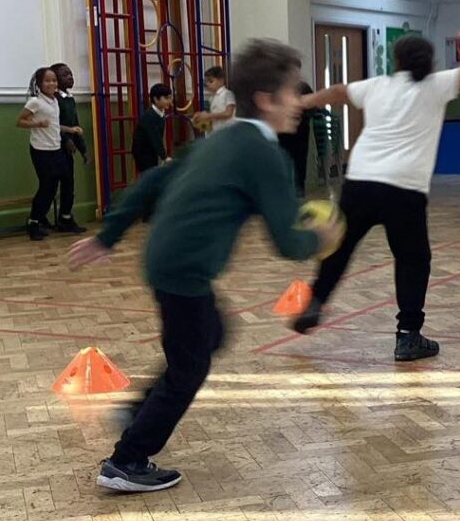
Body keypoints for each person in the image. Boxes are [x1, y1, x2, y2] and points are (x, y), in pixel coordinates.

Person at [68, 38, 343, 492]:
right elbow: (288, 243)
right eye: (294, 92)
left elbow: (156, 177)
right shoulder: (264, 154)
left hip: (165, 257)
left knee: (211, 333)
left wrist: (109, 235)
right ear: (265, 99)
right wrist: (322, 237)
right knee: (189, 368)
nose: (300, 102)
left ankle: (137, 412)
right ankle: (127, 459)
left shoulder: (227, 137)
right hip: (185, 268)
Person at [290, 26, 460, 361]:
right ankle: (408, 335)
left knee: (338, 249)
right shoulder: (436, 84)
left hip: (359, 181)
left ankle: (315, 302)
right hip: (404, 189)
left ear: (395, 60)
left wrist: (305, 100)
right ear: (428, 61)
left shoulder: (378, 86)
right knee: (413, 260)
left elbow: (339, 92)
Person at [16, 66, 87, 241]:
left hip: (55, 149)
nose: (52, 83)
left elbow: (54, 125)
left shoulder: (54, 101)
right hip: (41, 151)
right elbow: (20, 121)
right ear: (39, 84)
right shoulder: (35, 102)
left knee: (57, 186)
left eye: (54, 80)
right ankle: (33, 221)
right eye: (47, 80)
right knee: (46, 188)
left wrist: (71, 129)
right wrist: (37, 124)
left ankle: (52, 219)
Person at [50, 62, 88, 233]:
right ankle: (39, 219)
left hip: (68, 150)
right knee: (52, 185)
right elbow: (54, 124)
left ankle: (66, 217)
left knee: (69, 185)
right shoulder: (54, 100)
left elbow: (75, 125)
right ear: (56, 80)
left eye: (71, 74)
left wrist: (84, 150)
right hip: (55, 148)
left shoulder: (70, 99)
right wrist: (65, 139)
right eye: (66, 75)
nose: (71, 77)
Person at [277, 80, 316, 197]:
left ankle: (297, 187)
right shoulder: (280, 88)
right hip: (287, 129)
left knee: (296, 158)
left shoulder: (302, 88)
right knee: (291, 158)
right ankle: (293, 187)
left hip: (297, 128)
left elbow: (312, 107)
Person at [132, 83, 173, 174]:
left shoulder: (160, 113)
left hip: (151, 152)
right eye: (166, 98)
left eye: (170, 98)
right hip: (143, 154)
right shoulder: (149, 116)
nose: (170, 101)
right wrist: (164, 157)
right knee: (149, 177)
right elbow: (155, 137)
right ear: (156, 99)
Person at [191, 66, 236, 134]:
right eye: (206, 82)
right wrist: (201, 118)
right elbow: (215, 117)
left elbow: (228, 113)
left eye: (211, 81)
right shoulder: (212, 98)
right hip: (217, 133)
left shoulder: (227, 94)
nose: (208, 84)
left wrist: (209, 115)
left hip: (228, 133)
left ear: (221, 81)